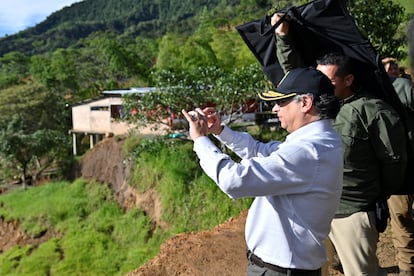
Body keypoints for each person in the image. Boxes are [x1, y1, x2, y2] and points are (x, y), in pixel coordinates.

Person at [271, 13, 408, 275]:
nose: (321, 86)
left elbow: (394, 160)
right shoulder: (316, 106)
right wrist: (283, 37)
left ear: (348, 80)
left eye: (329, 82)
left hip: (352, 212)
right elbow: (294, 75)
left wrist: (376, 195)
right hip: (315, 206)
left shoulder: (371, 111)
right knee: (321, 268)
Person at [182, 67, 343, 275]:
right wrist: (220, 131)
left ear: (305, 103)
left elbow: (234, 181)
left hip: (281, 269)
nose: (275, 108)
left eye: (282, 101)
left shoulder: (309, 150)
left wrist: (200, 140)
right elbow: (260, 152)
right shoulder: (319, 142)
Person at [383, 56, 414, 275]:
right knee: (401, 219)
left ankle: (407, 268)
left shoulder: (401, 86)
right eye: (385, 65)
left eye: (393, 64)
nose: (390, 67)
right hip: (400, 168)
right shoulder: (403, 86)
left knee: (401, 221)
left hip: (395, 167)